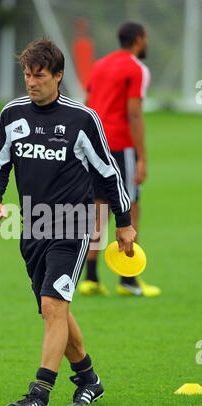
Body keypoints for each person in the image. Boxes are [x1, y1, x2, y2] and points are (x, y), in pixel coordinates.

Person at [0, 38, 136, 406]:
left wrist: (124, 223)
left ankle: (39, 394)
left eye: (39, 76)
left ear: (58, 76)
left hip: (73, 224)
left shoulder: (81, 119)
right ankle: (88, 379)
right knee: (54, 311)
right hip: (31, 226)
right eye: (26, 75)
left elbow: (107, 173)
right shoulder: (12, 115)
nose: (31, 82)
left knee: (53, 304)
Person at [79, 22, 161, 297]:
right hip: (120, 145)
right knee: (130, 207)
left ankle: (90, 278)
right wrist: (142, 158)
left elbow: (88, 102)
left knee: (99, 208)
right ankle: (128, 279)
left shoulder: (100, 65)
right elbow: (134, 113)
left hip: (94, 145)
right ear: (139, 40)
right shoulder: (136, 68)